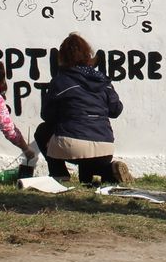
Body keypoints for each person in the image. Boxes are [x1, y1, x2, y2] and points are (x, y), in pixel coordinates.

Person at [30, 32, 132, 185]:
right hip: (104, 148)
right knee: (87, 173)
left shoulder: (60, 81)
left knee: (43, 130)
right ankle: (110, 170)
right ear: (87, 54)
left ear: (62, 57)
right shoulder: (103, 81)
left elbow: (47, 115)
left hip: (72, 147)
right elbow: (116, 110)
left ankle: (59, 174)